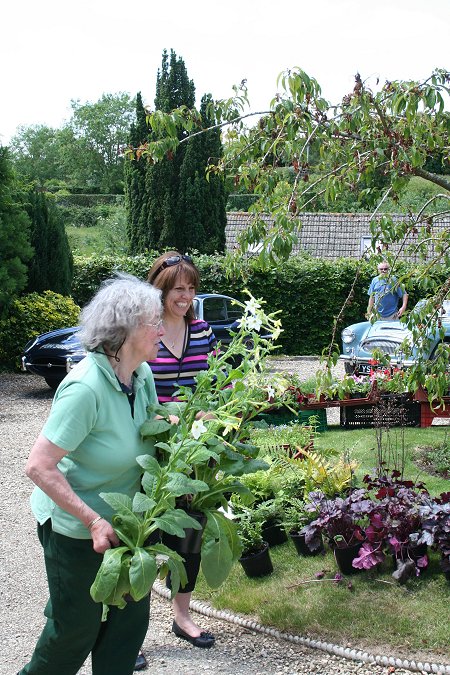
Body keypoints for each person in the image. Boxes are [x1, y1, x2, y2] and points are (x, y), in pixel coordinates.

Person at [19, 274, 166, 675]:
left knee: (128, 625)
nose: (162, 328)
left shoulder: (141, 375)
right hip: (78, 528)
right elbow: (38, 465)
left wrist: (191, 421)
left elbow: (150, 424)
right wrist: (94, 521)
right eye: (155, 321)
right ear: (127, 328)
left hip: (129, 525)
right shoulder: (84, 388)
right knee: (75, 629)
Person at [135, 252, 216, 670]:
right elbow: (133, 389)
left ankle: (182, 616)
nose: (184, 296)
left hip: (192, 451)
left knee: (190, 533)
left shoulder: (201, 331)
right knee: (144, 537)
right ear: (160, 289)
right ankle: (132, 633)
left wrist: (209, 411)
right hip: (150, 450)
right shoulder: (143, 331)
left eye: (190, 288)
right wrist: (163, 414)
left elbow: (210, 385)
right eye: (176, 289)